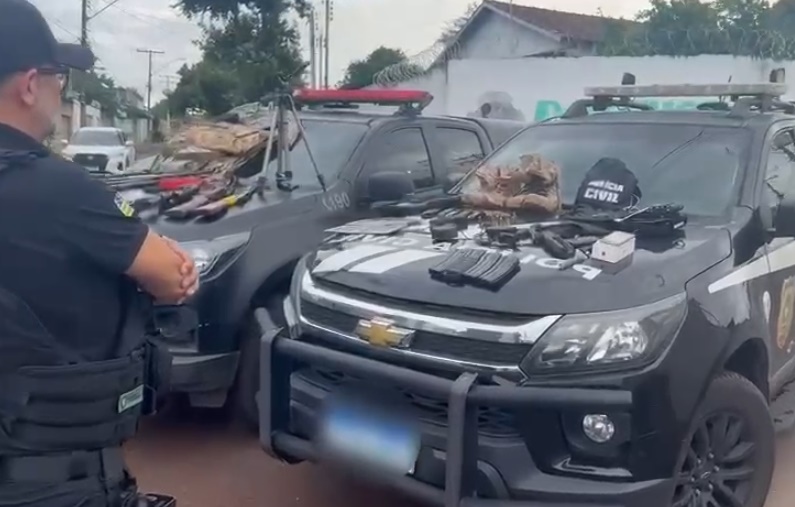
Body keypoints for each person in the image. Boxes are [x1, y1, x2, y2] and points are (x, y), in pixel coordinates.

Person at [0, 1, 198, 506]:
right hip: (50, 479)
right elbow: (172, 277)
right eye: (57, 76)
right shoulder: (59, 189)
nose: (58, 89)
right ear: (28, 85)